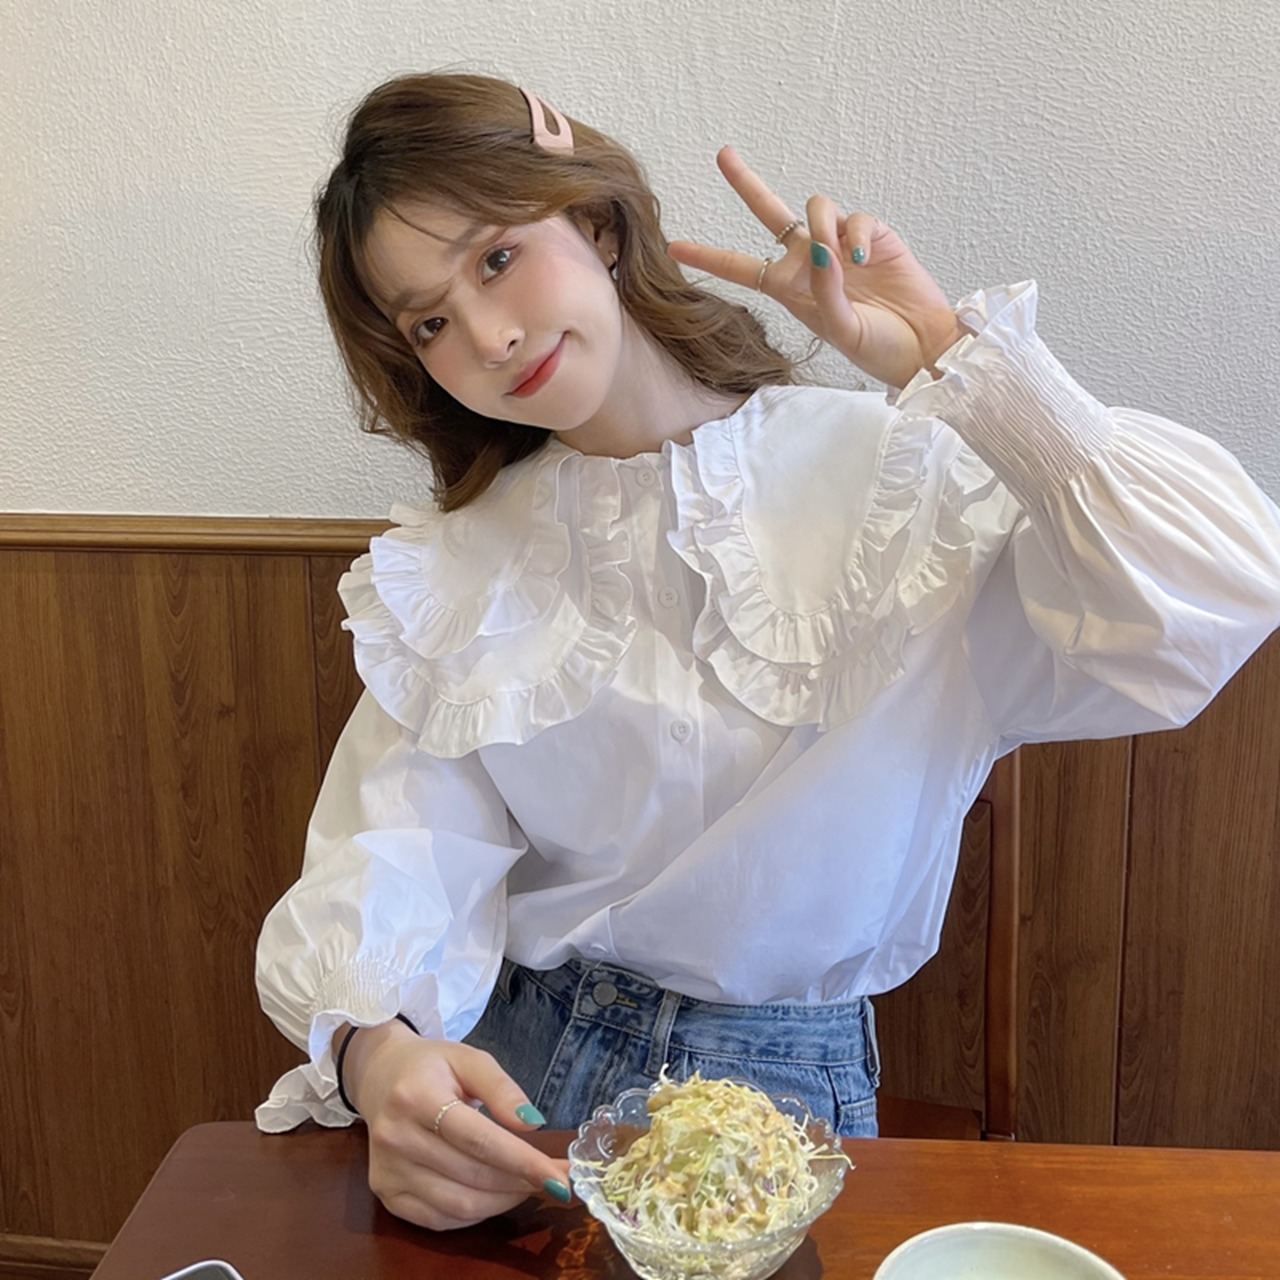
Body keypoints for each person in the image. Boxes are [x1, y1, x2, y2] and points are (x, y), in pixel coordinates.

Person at [254, 71, 1280, 1231]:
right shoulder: (457, 562)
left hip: (777, 1087)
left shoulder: (897, 474)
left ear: (593, 218)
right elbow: (394, 840)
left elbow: (1216, 592)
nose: (487, 337)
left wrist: (951, 360)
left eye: (495, 257)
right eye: (429, 322)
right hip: (510, 1074)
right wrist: (378, 1055)